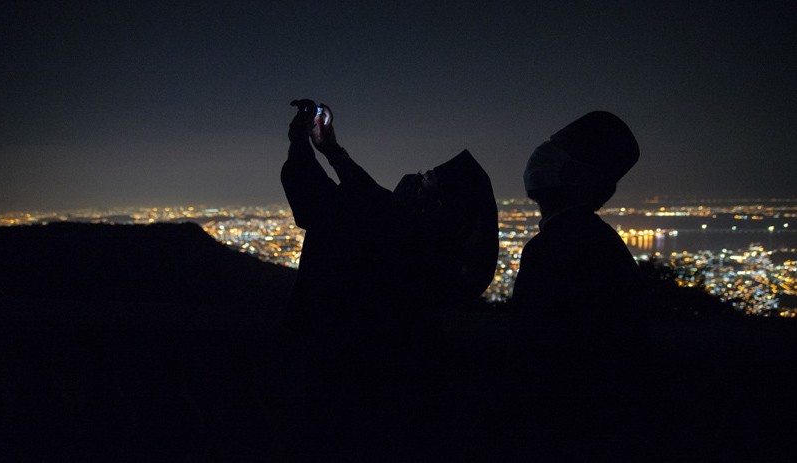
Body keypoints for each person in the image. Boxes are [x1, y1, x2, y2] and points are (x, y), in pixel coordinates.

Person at [271, 99, 498, 460]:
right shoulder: (428, 249)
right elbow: (371, 197)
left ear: (434, 206)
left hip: (337, 379)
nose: (415, 177)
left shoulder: (388, 236)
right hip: (400, 395)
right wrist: (331, 149)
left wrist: (300, 141)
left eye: (426, 180)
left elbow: (315, 191)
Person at [509, 111, 649, 459]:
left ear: (581, 175)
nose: (543, 153)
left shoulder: (560, 245)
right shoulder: (593, 239)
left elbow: (543, 345)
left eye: (562, 148)